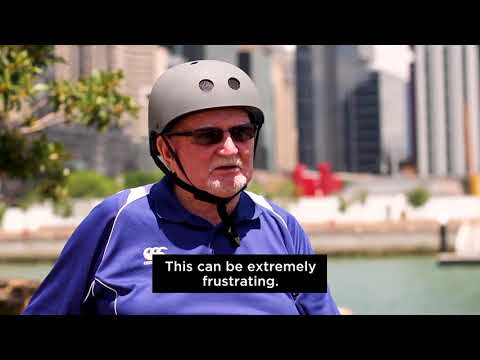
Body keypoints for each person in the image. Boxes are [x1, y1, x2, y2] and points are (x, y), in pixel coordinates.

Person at [23, 60, 340, 315]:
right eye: (208, 136)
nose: (231, 148)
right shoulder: (116, 221)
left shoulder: (281, 228)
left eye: (242, 133)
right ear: (165, 150)